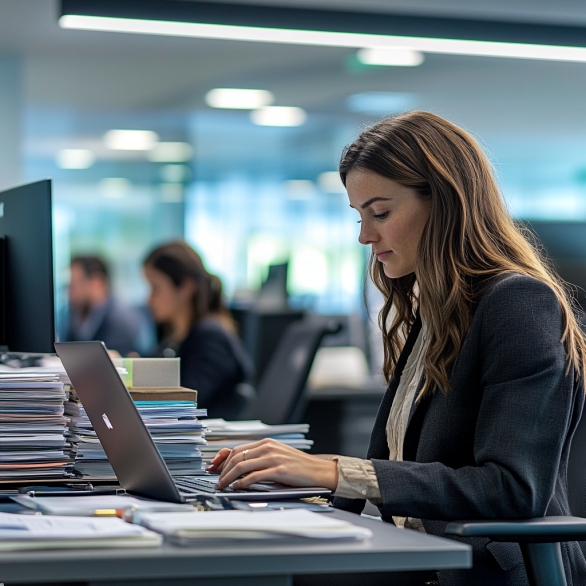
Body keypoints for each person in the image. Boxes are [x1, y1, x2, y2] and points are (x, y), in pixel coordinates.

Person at [209, 111, 586, 586]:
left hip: (480, 571)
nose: (366, 235)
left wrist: (333, 471)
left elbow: (514, 488)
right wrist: (291, 488)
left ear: (445, 202)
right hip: (415, 554)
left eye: (381, 213)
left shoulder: (518, 304)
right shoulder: (432, 310)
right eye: (360, 216)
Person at [143, 241, 254, 418]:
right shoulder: (174, 337)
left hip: (209, 442)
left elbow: (185, 402)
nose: (148, 299)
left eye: (155, 288)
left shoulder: (210, 337)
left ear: (186, 288)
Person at [66, 255, 149, 357]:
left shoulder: (120, 320)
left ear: (98, 282)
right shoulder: (78, 314)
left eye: (74, 285)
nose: (69, 292)